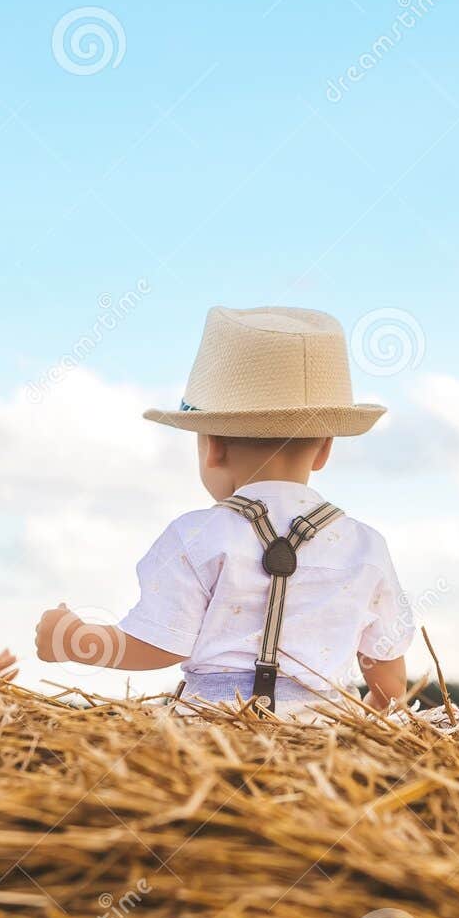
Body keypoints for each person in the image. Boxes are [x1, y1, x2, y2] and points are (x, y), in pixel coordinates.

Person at [33, 305, 412, 714]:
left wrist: (74, 638)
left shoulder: (195, 535)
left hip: (215, 726)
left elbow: (159, 644)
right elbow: (390, 682)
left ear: (212, 447)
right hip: (325, 738)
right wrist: (365, 722)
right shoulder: (366, 547)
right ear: (324, 449)